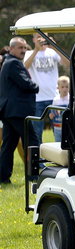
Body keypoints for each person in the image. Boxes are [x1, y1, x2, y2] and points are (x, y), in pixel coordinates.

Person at [0, 37, 40, 184]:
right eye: (20, 48)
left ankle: (3, 177)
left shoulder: (8, 62)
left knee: (8, 145)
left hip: (10, 111)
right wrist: (36, 86)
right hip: (18, 112)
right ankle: (34, 176)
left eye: (25, 48)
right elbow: (25, 84)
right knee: (31, 141)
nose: (23, 50)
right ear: (11, 49)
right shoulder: (13, 63)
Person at [24, 33, 69, 143]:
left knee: (60, 130)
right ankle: (39, 158)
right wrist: (36, 50)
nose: (40, 39)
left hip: (55, 98)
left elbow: (68, 63)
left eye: (43, 36)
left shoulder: (52, 52)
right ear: (33, 40)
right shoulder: (29, 53)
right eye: (37, 37)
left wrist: (54, 46)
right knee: (37, 131)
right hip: (38, 98)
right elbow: (25, 67)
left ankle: (59, 156)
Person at [49, 75, 71, 143]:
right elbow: (52, 112)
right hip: (57, 127)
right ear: (58, 88)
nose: (65, 89)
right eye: (62, 87)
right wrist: (51, 115)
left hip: (68, 127)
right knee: (57, 143)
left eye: (67, 87)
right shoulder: (56, 100)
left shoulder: (70, 99)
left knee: (68, 143)